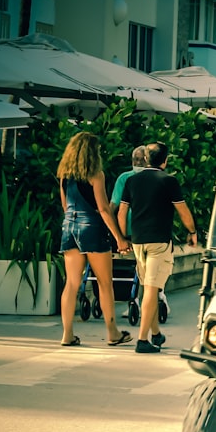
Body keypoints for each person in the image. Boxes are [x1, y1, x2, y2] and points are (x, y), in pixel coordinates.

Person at [118, 142, 197, 354]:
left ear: (145, 159)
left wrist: (122, 237)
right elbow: (182, 209)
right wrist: (192, 231)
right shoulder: (169, 181)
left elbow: (122, 210)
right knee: (152, 289)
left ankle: (155, 333)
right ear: (165, 160)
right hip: (159, 242)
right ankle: (142, 340)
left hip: (138, 241)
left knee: (148, 288)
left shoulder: (132, 180)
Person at [57, 132, 133, 348]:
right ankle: (112, 333)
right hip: (91, 228)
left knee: (71, 283)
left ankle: (67, 334)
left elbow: (65, 206)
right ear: (92, 152)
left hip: (69, 227)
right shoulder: (96, 174)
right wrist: (119, 237)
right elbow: (102, 209)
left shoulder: (64, 175)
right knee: (104, 282)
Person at [110, 145, 148, 235]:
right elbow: (114, 206)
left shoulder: (155, 178)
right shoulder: (124, 178)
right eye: (136, 159)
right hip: (129, 230)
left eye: (142, 160)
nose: (138, 163)